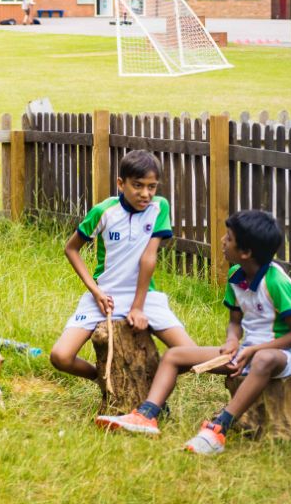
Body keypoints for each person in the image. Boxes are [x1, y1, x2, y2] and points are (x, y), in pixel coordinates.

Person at [96, 209, 291, 454]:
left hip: (281, 356)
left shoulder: (276, 282)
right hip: (245, 352)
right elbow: (235, 322)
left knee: (263, 359)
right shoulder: (235, 276)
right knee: (174, 355)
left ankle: (219, 428)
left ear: (246, 252)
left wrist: (255, 350)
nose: (222, 241)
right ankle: (147, 415)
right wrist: (232, 340)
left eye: (229, 238)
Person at [47, 150, 197, 383]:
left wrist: (137, 308)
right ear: (120, 183)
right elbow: (71, 249)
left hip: (145, 296)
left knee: (191, 355)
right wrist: (96, 291)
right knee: (60, 356)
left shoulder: (159, 207)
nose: (145, 194)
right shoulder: (104, 211)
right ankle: (108, 378)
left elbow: (148, 258)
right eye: (137, 185)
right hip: (105, 296)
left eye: (152, 187)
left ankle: (149, 383)